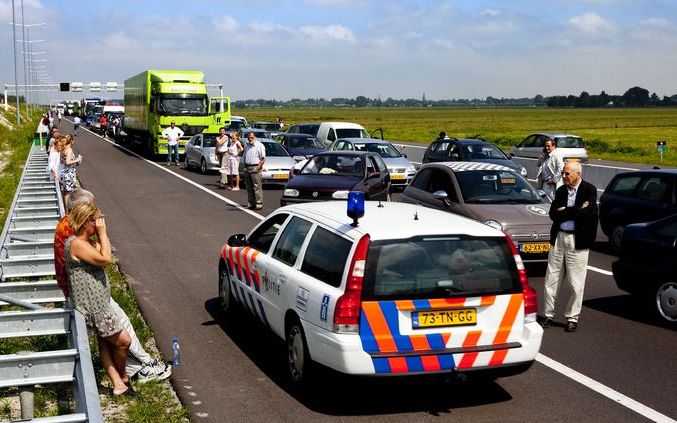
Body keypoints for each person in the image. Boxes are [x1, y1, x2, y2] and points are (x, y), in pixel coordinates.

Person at [54, 189, 171, 383]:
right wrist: (102, 232)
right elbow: (104, 257)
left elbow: (97, 252)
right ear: (81, 212)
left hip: (88, 290)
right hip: (88, 294)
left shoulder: (67, 225)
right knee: (122, 327)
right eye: (92, 213)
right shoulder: (72, 233)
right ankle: (143, 366)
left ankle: (129, 372)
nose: (97, 218)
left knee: (109, 337)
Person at [65, 202, 134, 396]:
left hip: (100, 303)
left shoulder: (88, 243)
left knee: (105, 343)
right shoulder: (76, 243)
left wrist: (100, 235)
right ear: (86, 221)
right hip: (92, 307)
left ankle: (118, 385)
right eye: (96, 221)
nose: (99, 225)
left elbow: (104, 253)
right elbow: (106, 259)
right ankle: (123, 377)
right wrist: (103, 233)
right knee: (123, 342)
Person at [540, 162, 598, 332]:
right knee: (551, 279)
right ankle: (548, 315)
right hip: (559, 237)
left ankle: (572, 318)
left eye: (567, 174)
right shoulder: (561, 191)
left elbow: (586, 214)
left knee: (576, 283)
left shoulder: (589, 190)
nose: (564, 177)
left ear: (578, 174)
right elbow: (553, 214)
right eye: (563, 173)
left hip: (577, 240)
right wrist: (574, 210)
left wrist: (565, 210)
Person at [242, 131, 266, 209]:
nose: (250, 139)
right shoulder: (246, 146)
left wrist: (258, 167)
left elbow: (262, 158)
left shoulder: (259, 146)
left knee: (257, 187)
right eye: (248, 137)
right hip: (247, 167)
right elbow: (245, 156)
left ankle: (258, 203)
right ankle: (251, 203)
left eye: (251, 137)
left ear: (255, 137)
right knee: (249, 187)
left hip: (255, 167)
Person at [536, 138, 565, 202]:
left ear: (553, 146)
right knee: (543, 202)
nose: (546, 148)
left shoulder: (556, 155)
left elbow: (561, 168)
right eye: (545, 146)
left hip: (551, 185)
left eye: (548, 146)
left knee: (550, 203)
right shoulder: (546, 155)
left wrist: (553, 180)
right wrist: (542, 154)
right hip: (543, 183)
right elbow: (538, 164)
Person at [59, 135, 82, 206]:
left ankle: (65, 209)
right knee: (68, 193)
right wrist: (77, 159)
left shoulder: (63, 149)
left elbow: (61, 161)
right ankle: (66, 211)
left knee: (65, 192)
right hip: (68, 173)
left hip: (64, 172)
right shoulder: (69, 150)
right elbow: (68, 162)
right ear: (71, 141)